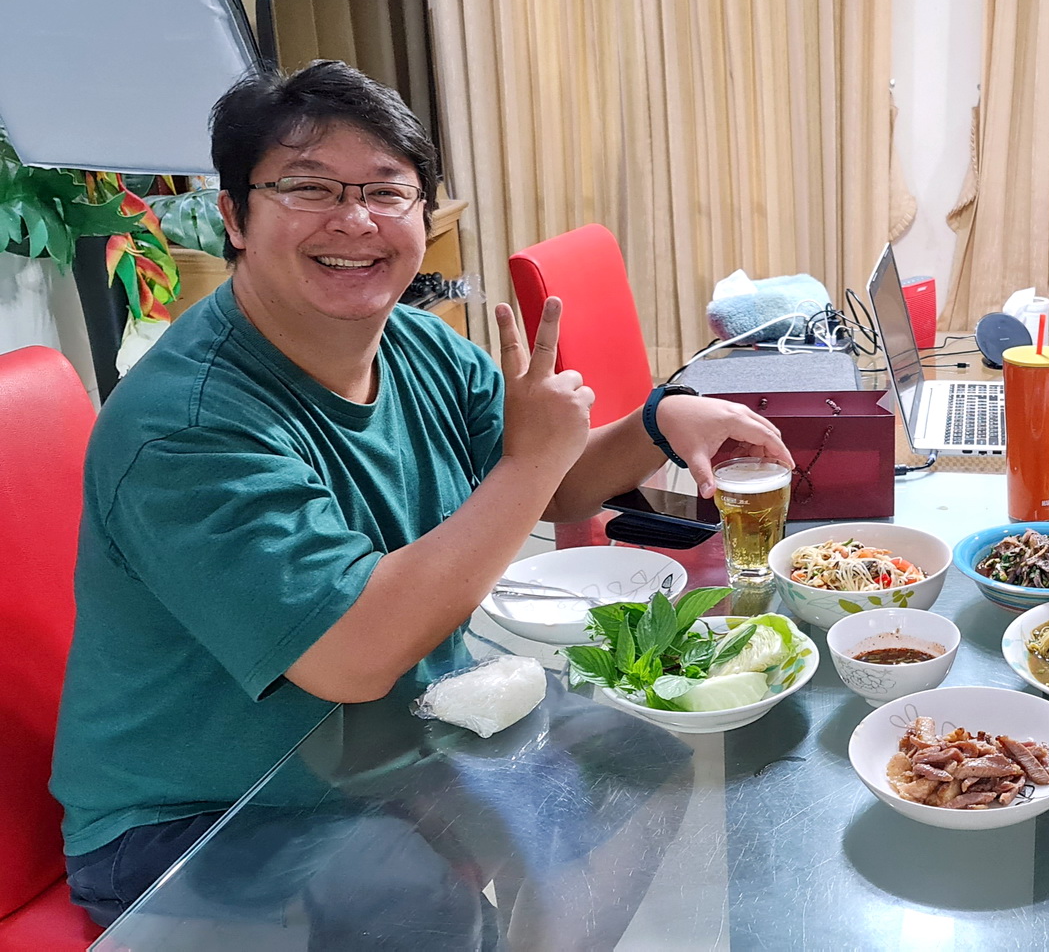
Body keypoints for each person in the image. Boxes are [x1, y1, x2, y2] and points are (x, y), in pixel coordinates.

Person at [50, 60, 791, 935]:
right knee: (408, 887)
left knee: (641, 758)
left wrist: (661, 422)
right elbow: (351, 655)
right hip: (197, 815)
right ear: (233, 218)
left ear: (421, 214)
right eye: (307, 186)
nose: (354, 220)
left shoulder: (413, 344)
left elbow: (549, 479)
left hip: (383, 748)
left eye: (385, 191)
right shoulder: (186, 425)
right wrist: (527, 467)